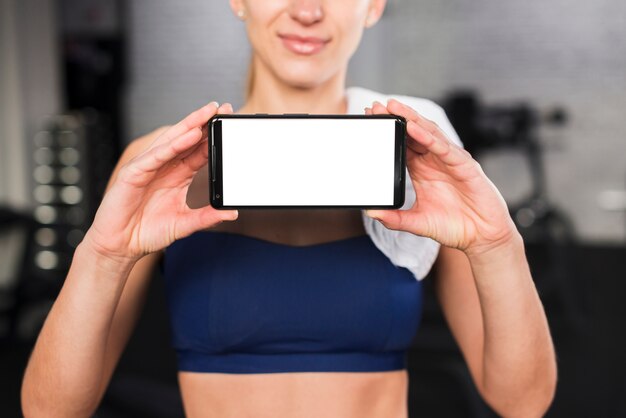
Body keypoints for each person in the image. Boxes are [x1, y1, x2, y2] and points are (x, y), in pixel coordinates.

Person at [21, 1, 557, 417]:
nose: (307, 11)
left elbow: (522, 402)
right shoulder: (159, 165)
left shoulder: (419, 162)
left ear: (372, 6)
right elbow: (50, 410)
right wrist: (104, 255)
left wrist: (496, 244)